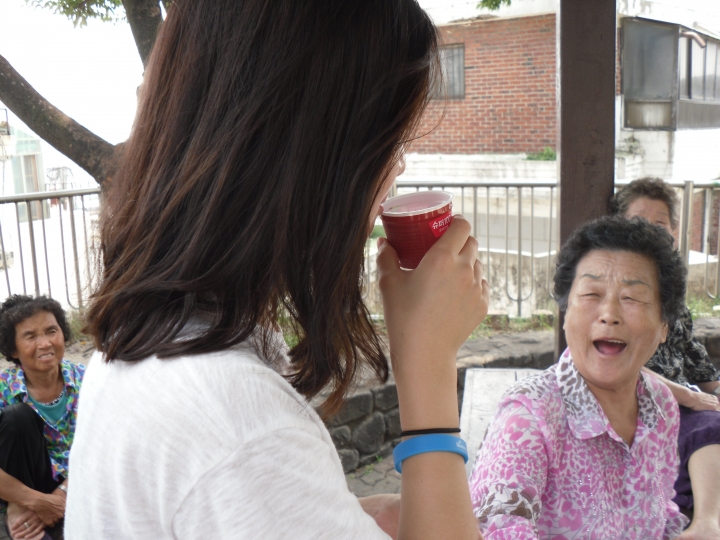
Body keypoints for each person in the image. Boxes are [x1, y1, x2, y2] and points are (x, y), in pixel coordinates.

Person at [64, 1, 490, 539]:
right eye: (393, 141)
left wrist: (334, 512)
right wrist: (427, 359)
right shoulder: (239, 423)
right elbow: (239, 465)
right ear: (316, 153)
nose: (396, 169)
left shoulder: (146, 338)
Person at [469, 216, 689, 539]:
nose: (609, 314)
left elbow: (658, 510)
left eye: (632, 298)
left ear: (664, 327)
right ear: (565, 313)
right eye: (591, 294)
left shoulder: (662, 405)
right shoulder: (528, 417)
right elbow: (499, 530)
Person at [612, 177, 720, 540]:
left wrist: (714, 391)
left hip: (684, 401)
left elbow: (692, 353)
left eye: (659, 224)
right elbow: (620, 365)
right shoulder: (614, 292)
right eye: (637, 222)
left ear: (673, 232)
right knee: (709, 425)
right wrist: (689, 397)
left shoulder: (672, 294)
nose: (649, 232)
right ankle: (706, 524)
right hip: (641, 402)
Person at [0, 295, 82, 540]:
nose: (45, 343)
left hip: (80, 481)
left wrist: (62, 495)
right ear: (13, 348)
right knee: (16, 418)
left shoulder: (87, 380)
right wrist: (33, 500)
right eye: (30, 336)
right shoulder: (3, 388)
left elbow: (109, 445)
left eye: (51, 331)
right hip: (28, 483)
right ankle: (19, 512)